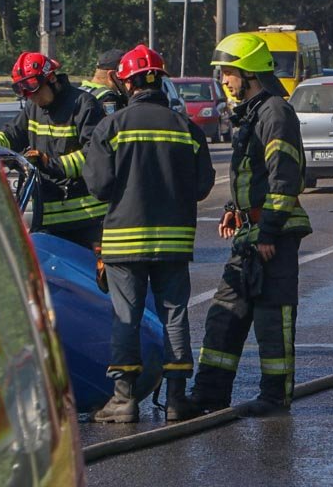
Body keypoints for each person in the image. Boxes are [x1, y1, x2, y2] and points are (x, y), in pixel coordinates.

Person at [82, 45, 215, 423]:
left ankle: (123, 400)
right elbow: (203, 184)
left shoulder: (112, 127)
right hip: (174, 242)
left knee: (127, 317)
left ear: (127, 83)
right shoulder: (185, 127)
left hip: (124, 242)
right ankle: (175, 400)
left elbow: (100, 186)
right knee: (175, 316)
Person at [190, 32, 312, 417]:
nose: (225, 80)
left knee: (272, 318)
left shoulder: (275, 113)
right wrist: (234, 207)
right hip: (251, 232)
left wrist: (268, 231)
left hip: (271, 235)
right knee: (225, 313)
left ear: (249, 73)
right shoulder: (255, 112)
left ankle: (275, 398)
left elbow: (284, 179)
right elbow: (253, 175)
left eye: (229, 72)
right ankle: (209, 393)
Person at [0, 52, 107, 248]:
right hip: (47, 220)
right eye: (26, 93)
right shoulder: (33, 108)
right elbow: (12, 136)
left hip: (86, 221)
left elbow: (95, 155)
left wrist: (49, 163)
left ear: (51, 78)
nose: (32, 98)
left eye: (34, 91)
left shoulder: (83, 105)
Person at [80, 48, 128, 114]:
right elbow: (114, 123)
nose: (127, 81)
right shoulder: (109, 99)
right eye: (125, 75)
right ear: (112, 75)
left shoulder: (80, 91)